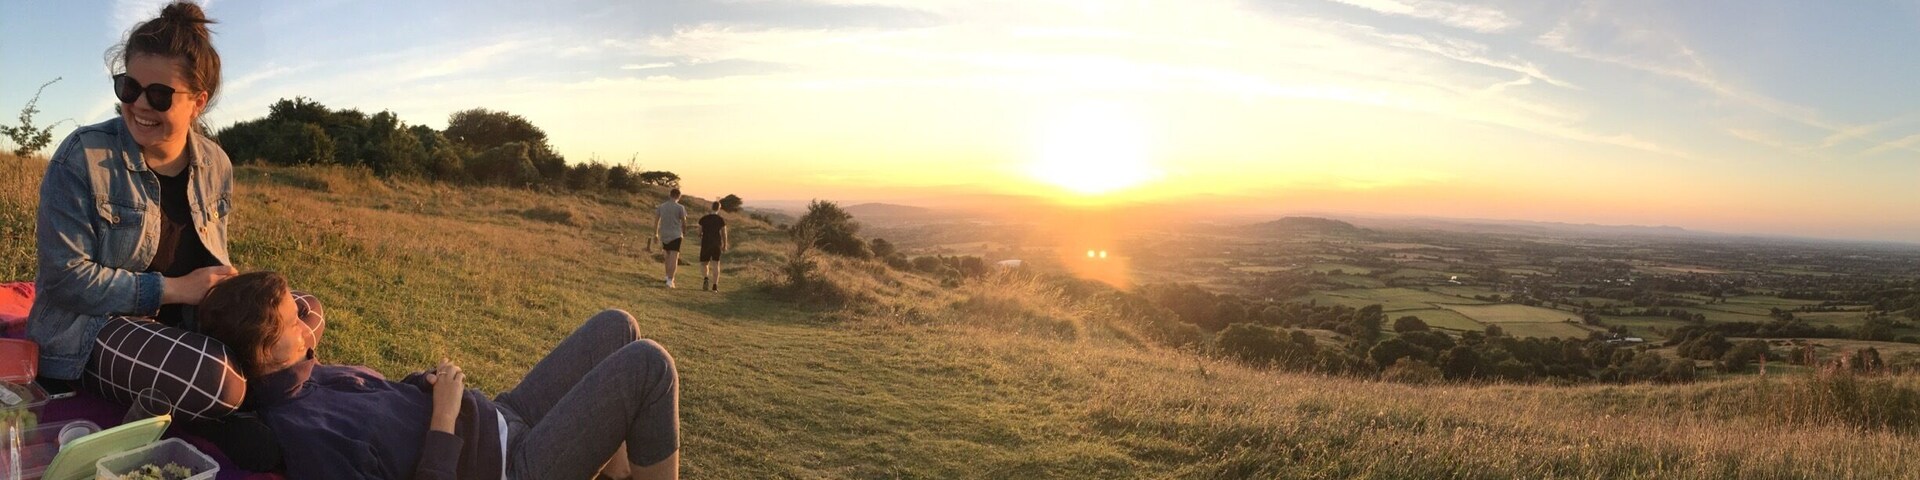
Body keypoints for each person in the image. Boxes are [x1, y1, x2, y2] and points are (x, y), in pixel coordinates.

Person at [26, 1, 280, 469]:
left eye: (160, 95)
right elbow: (64, 279)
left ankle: (215, 400)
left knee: (300, 308)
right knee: (218, 379)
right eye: (129, 87)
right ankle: (216, 410)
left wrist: (229, 290)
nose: (140, 104)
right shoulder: (83, 156)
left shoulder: (216, 163)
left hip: (180, 325)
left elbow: (206, 252)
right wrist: (174, 289)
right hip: (93, 330)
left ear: (197, 101)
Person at [198, 271, 681, 479]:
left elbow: (385, 414)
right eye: (293, 321)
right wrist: (444, 416)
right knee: (649, 366)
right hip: (508, 469)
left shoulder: (312, 373)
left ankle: (617, 473)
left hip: (498, 419)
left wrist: (421, 384)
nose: (308, 324)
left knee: (616, 326)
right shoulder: (307, 435)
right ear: (264, 353)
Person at [652, 189, 687, 288]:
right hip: (676, 235)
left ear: (669, 195)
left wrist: (655, 234)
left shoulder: (661, 206)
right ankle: (671, 280)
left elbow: (656, 221)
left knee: (667, 256)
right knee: (674, 258)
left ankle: (667, 276)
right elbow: (684, 222)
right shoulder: (680, 207)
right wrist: (684, 231)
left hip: (664, 234)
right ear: (679, 196)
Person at [697, 201, 728, 291]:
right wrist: (725, 244)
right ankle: (715, 286)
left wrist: (701, 236)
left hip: (706, 243)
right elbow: (724, 233)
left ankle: (706, 278)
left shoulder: (703, 219)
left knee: (704, 263)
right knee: (716, 264)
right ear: (719, 208)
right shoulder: (721, 220)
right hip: (716, 243)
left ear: (711, 207)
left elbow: (699, 232)